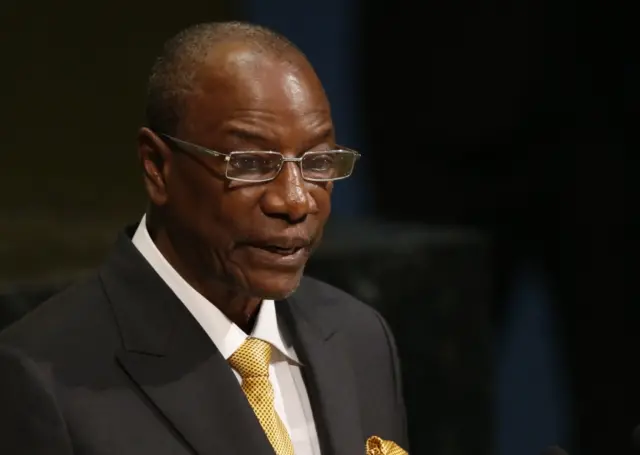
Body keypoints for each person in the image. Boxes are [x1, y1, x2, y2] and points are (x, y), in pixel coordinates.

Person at [0, 22, 408, 455]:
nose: (295, 200)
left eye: (318, 162)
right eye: (251, 163)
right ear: (158, 167)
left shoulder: (358, 336)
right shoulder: (40, 379)